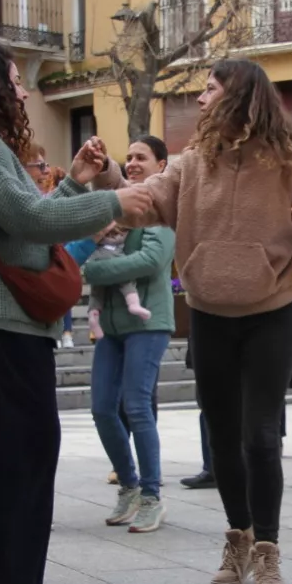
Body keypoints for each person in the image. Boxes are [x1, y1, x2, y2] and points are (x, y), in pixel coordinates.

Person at [0, 44, 150, 584]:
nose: (23, 92)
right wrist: (115, 199)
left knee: (19, 453)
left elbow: (22, 220)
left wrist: (75, 185)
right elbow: (29, 222)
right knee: (8, 457)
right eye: (15, 81)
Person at [113, 58, 292, 584]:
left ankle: (267, 551)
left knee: (261, 437)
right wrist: (101, 183)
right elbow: (148, 204)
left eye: (211, 88)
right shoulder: (191, 163)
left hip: (271, 313)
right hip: (209, 313)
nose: (203, 98)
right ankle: (237, 538)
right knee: (222, 440)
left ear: (242, 95)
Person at [95, 135, 176, 533]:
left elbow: (150, 260)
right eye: (127, 157)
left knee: (137, 406)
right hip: (112, 324)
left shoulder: (162, 207)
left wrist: (89, 271)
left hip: (148, 323)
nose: (132, 163)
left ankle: (151, 495)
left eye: (141, 157)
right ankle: (128, 484)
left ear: (162, 165)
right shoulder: (119, 202)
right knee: (101, 407)